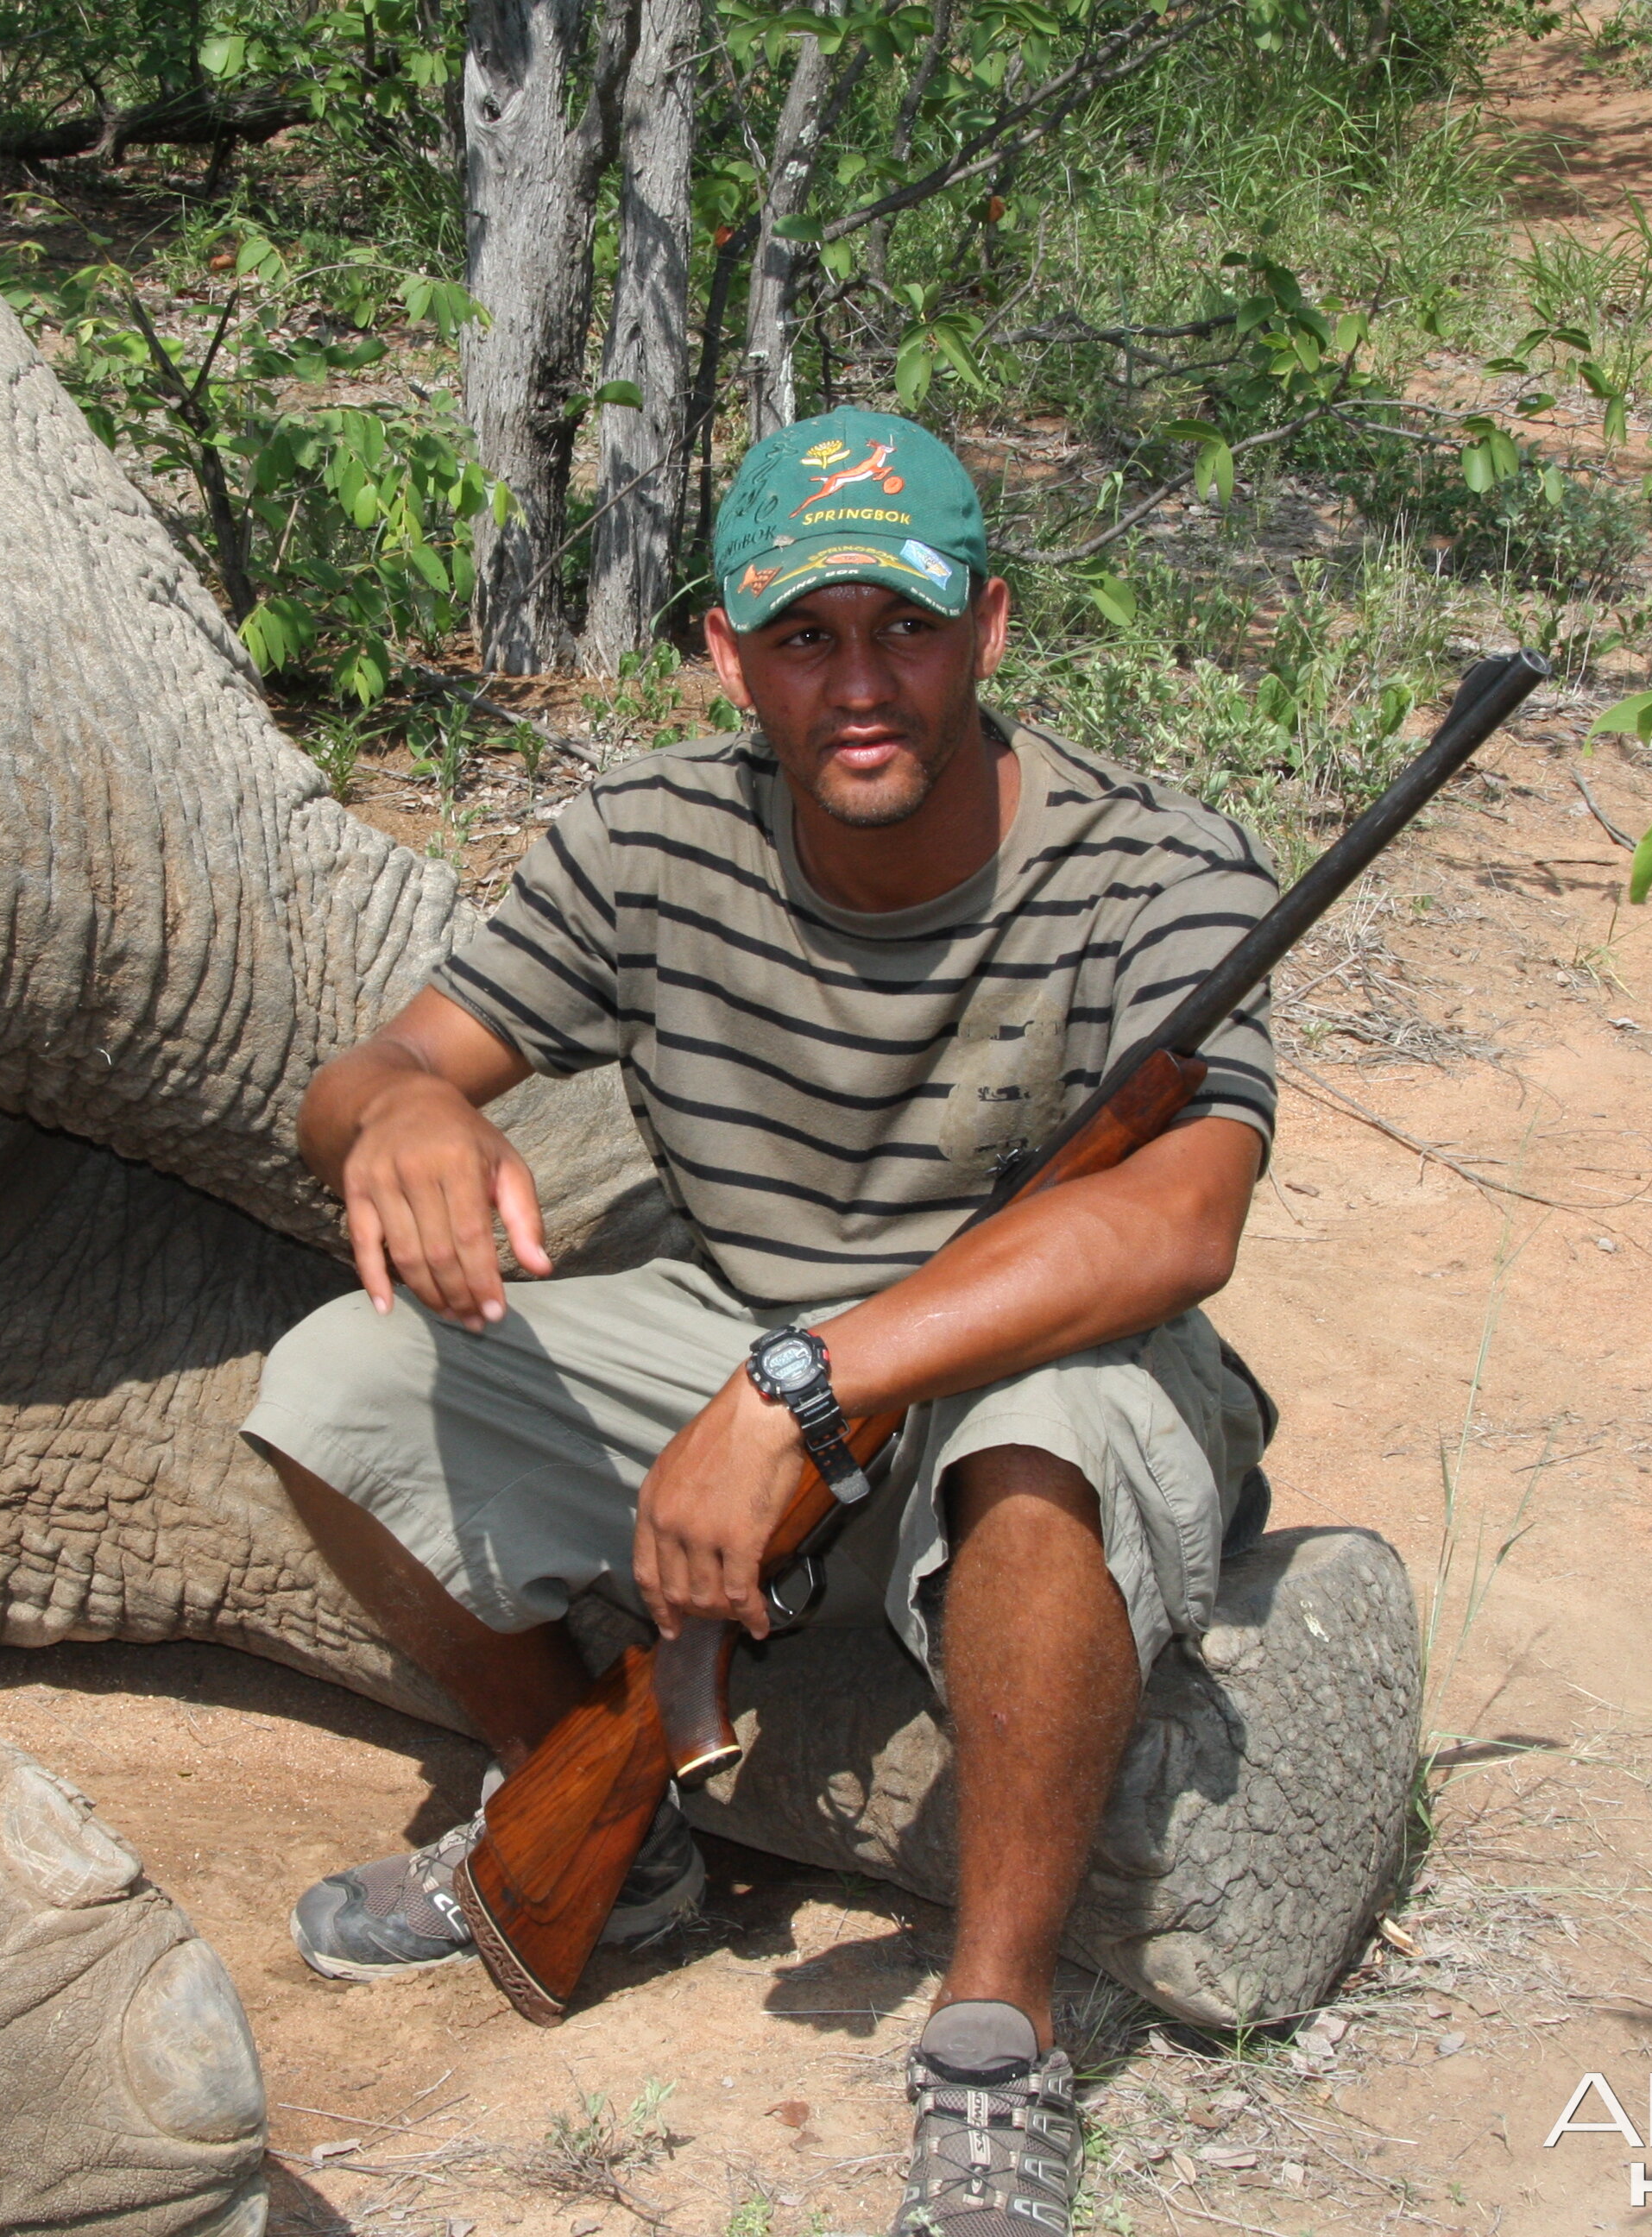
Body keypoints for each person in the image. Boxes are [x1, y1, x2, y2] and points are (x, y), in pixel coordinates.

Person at [239, 407, 1280, 2237]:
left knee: (1057, 1444)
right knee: (339, 1380)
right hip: (741, 1328)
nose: (859, 684)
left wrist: (806, 1384)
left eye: (905, 627)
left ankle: (996, 2035)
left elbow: (1181, 1219)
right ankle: (591, 1808)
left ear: (992, 632)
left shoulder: (1158, 864)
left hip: (1019, 1358)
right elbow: (383, 1066)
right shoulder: (648, 841)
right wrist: (400, 1114)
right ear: (727, 651)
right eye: (806, 635)